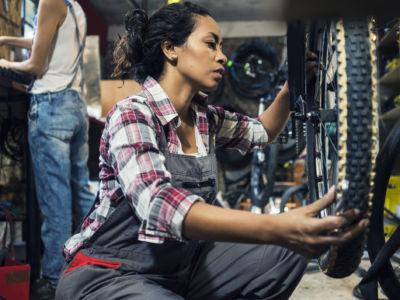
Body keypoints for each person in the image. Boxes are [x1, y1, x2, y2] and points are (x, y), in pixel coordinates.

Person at [56, 2, 368, 299]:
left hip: (180, 269)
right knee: (281, 236)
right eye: (211, 44)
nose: (222, 56)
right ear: (171, 49)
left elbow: (263, 131)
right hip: (110, 274)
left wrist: (291, 89)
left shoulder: (206, 119)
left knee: (288, 251)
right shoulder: (133, 113)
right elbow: (157, 202)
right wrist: (277, 226)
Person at [0, 0, 95, 298]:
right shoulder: (73, 6)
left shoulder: (48, 2)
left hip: (51, 106)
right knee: (80, 195)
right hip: (75, 106)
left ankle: (55, 278)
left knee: (55, 201)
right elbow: (46, 38)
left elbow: (35, 65)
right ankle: (88, 265)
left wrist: (2, 63)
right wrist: (8, 39)